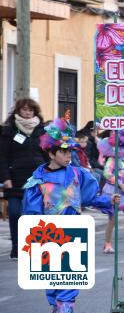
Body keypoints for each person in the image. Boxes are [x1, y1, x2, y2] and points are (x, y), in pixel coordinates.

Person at [21, 115, 120, 313]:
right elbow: (31, 212)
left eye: (70, 153)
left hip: (73, 234)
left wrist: (108, 200)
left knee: (71, 275)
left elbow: (89, 197)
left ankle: (65, 306)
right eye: (63, 152)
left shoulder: (78, 174)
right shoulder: (37, 180)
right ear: (51, 154)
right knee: (51, 276)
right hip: (48, 235)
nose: (68, 157)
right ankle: (57, 305)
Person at [0, 98, 47, 260]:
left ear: (35, 112)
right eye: (24, 109)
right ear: (18, 111)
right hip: (15, 179)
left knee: (36, 214)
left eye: (30, 110)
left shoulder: (42, 131)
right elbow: (3, 157)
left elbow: (48, 154)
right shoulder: (9, 130)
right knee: (14, 213)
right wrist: (5, 177)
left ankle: (35, 246)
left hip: (37, 179)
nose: (27, 112)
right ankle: (16, 247)